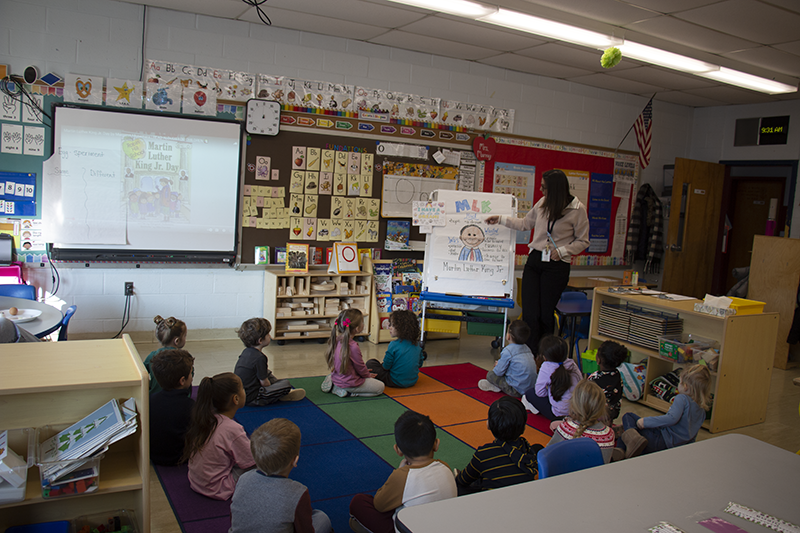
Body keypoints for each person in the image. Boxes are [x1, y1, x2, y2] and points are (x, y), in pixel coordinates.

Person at [486, 169, 590, 353]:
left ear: (556, 189)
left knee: (545, 314)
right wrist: (501, 219)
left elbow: (583, 241)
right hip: (536, 260)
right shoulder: (543, 203)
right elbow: (525, 223)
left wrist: (564, 250)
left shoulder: (577, 209)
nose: (541, 191)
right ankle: (528, 353)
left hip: (557, 265)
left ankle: (544, 355)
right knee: (530, 312)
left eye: (545, 188)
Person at [349, 410, 456, 533]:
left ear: (398, 450)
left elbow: (379, 504)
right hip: (444, 526)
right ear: (436, 444)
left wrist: (399, 470)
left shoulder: (402, 475)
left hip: (410, 528)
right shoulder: (445, 467)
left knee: (359, 502)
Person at [230, 418, 331, 533]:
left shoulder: (243, 479)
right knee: (322, 518)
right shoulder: (298, 492)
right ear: (295, 460)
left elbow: (234, 518)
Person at [183, 372, 256, 500]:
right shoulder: (232, 429)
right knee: (264, 464)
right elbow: (252, 459)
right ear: (236, 399)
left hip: (197, 481)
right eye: (242, 389)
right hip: (218, 487)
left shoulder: (206, 418)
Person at [455, 396, 542, 495]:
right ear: (524, 427)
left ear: (489, 425)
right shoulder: (527, 449)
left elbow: (462, 480)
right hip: (523, 497)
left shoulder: (484, 454)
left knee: (458, 487)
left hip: (494, 503)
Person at [619, 365, 712, 458]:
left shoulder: (682, 398)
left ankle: (622, 449)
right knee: (634, 435)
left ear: (685, 386)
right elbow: (692, 436)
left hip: (661, 441)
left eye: (679, 382)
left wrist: (645, 422)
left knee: (628, 417)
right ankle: (632, 446)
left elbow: (671, 419)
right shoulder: (702, 411)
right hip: (674, 448)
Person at [233, 317, 305, 405]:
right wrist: (273, 389)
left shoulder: (246, 352)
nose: (270, 336)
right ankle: (281, 394)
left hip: (241, 393)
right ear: (260, 340)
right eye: (268, 334)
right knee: (286, 384)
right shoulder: (260, 358)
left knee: (267, 372)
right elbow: (264, 383)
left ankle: (279, 390)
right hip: (253, 398)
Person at [547, 379, 616, 463]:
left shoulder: (564, 428)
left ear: (574, 404)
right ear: (602, 407)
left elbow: (548, 455)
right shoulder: (609, 434)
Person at [321, 309, 385, 398]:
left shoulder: (337, 339)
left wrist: (365, 372)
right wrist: (367, 375)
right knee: (380, 387)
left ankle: (334, 382)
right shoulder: (353, 346)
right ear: (357, 328)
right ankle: (349, 393)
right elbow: (360, 366)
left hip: (338, 377)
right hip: (350, 383)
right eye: (363, 322)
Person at [149, 348, 195, 466]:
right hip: (180, 457)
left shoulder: (149, 401)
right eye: (191, 373)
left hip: (153, 455)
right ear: (182, 380)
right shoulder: (190, 406)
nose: (192, 377)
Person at [521, 335, 582, 420]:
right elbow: (580, 382)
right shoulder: (572, 363)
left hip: (558, 414)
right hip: (577, 411)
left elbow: (539, 392)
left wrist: (551, 394)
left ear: (544, 356)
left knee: (530, 393)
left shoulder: (547, 366)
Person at [478, 320, 537, 397]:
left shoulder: (508, 351)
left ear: (508, 336)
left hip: (515, 390)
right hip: (530, 389)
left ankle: (497, 387)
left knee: (490, 375)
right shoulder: (527, 348)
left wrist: (498, 365)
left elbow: (498, 372)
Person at [366, 310, 424, 388]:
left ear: (401, 328)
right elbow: (420, 364)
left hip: (394, 381)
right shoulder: (417, 344)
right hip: (412, 381)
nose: (389, 328)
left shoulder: (394, 345)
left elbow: (386, 366)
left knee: (371, 363)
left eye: (392, 325)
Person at [143, 315, 187, 395]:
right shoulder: (184, 359)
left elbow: (142, 372)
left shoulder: (152, 356)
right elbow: (188, 380)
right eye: (185, 336)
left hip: (153, 398)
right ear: (177, 341)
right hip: (177, 399)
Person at [587, 340, 628, 423]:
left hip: (594, 416)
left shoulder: (594, 377)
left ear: (598, 360)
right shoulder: (617, 375)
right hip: (611, 414)